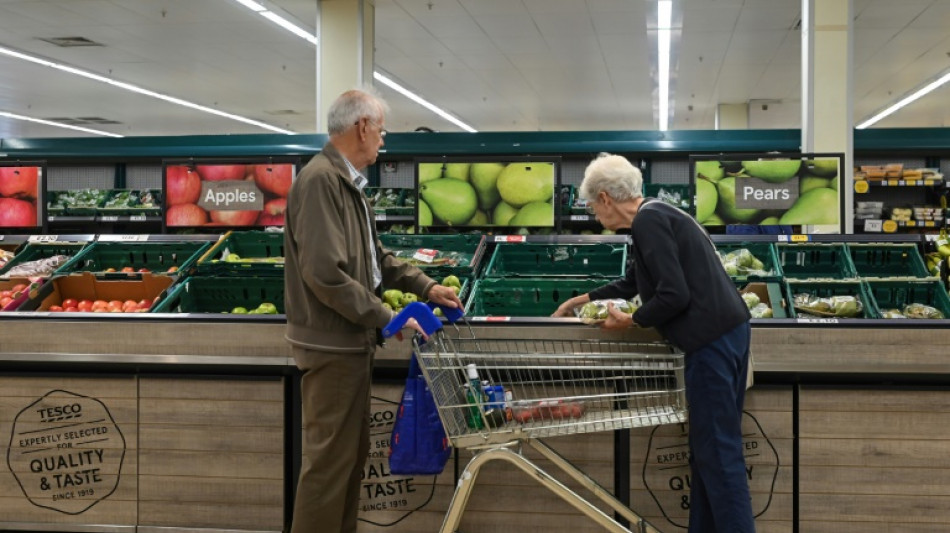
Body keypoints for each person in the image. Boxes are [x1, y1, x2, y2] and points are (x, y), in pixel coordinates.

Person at [284, 88, 462, 533]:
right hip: (331, 345)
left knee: (348, 461)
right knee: (329, 467)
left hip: (349, 342)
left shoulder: (347, 183)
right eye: (381, 131)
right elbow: (324, 273)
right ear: (362, 126)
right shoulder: (321, 181)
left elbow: (374, 257)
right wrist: (388, 317)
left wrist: (426, 286)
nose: (383, 142)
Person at [552, 153, 755, 533]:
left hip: (711, 342)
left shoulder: (649, 222)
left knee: (718, 453)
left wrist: (632, 320)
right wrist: (583, 299)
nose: (596, 216)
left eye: (593, 207)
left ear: (606, 199)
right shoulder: (658, 214)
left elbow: (673, 295)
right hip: (726, 334)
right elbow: (635, 282)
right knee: (707, 453)